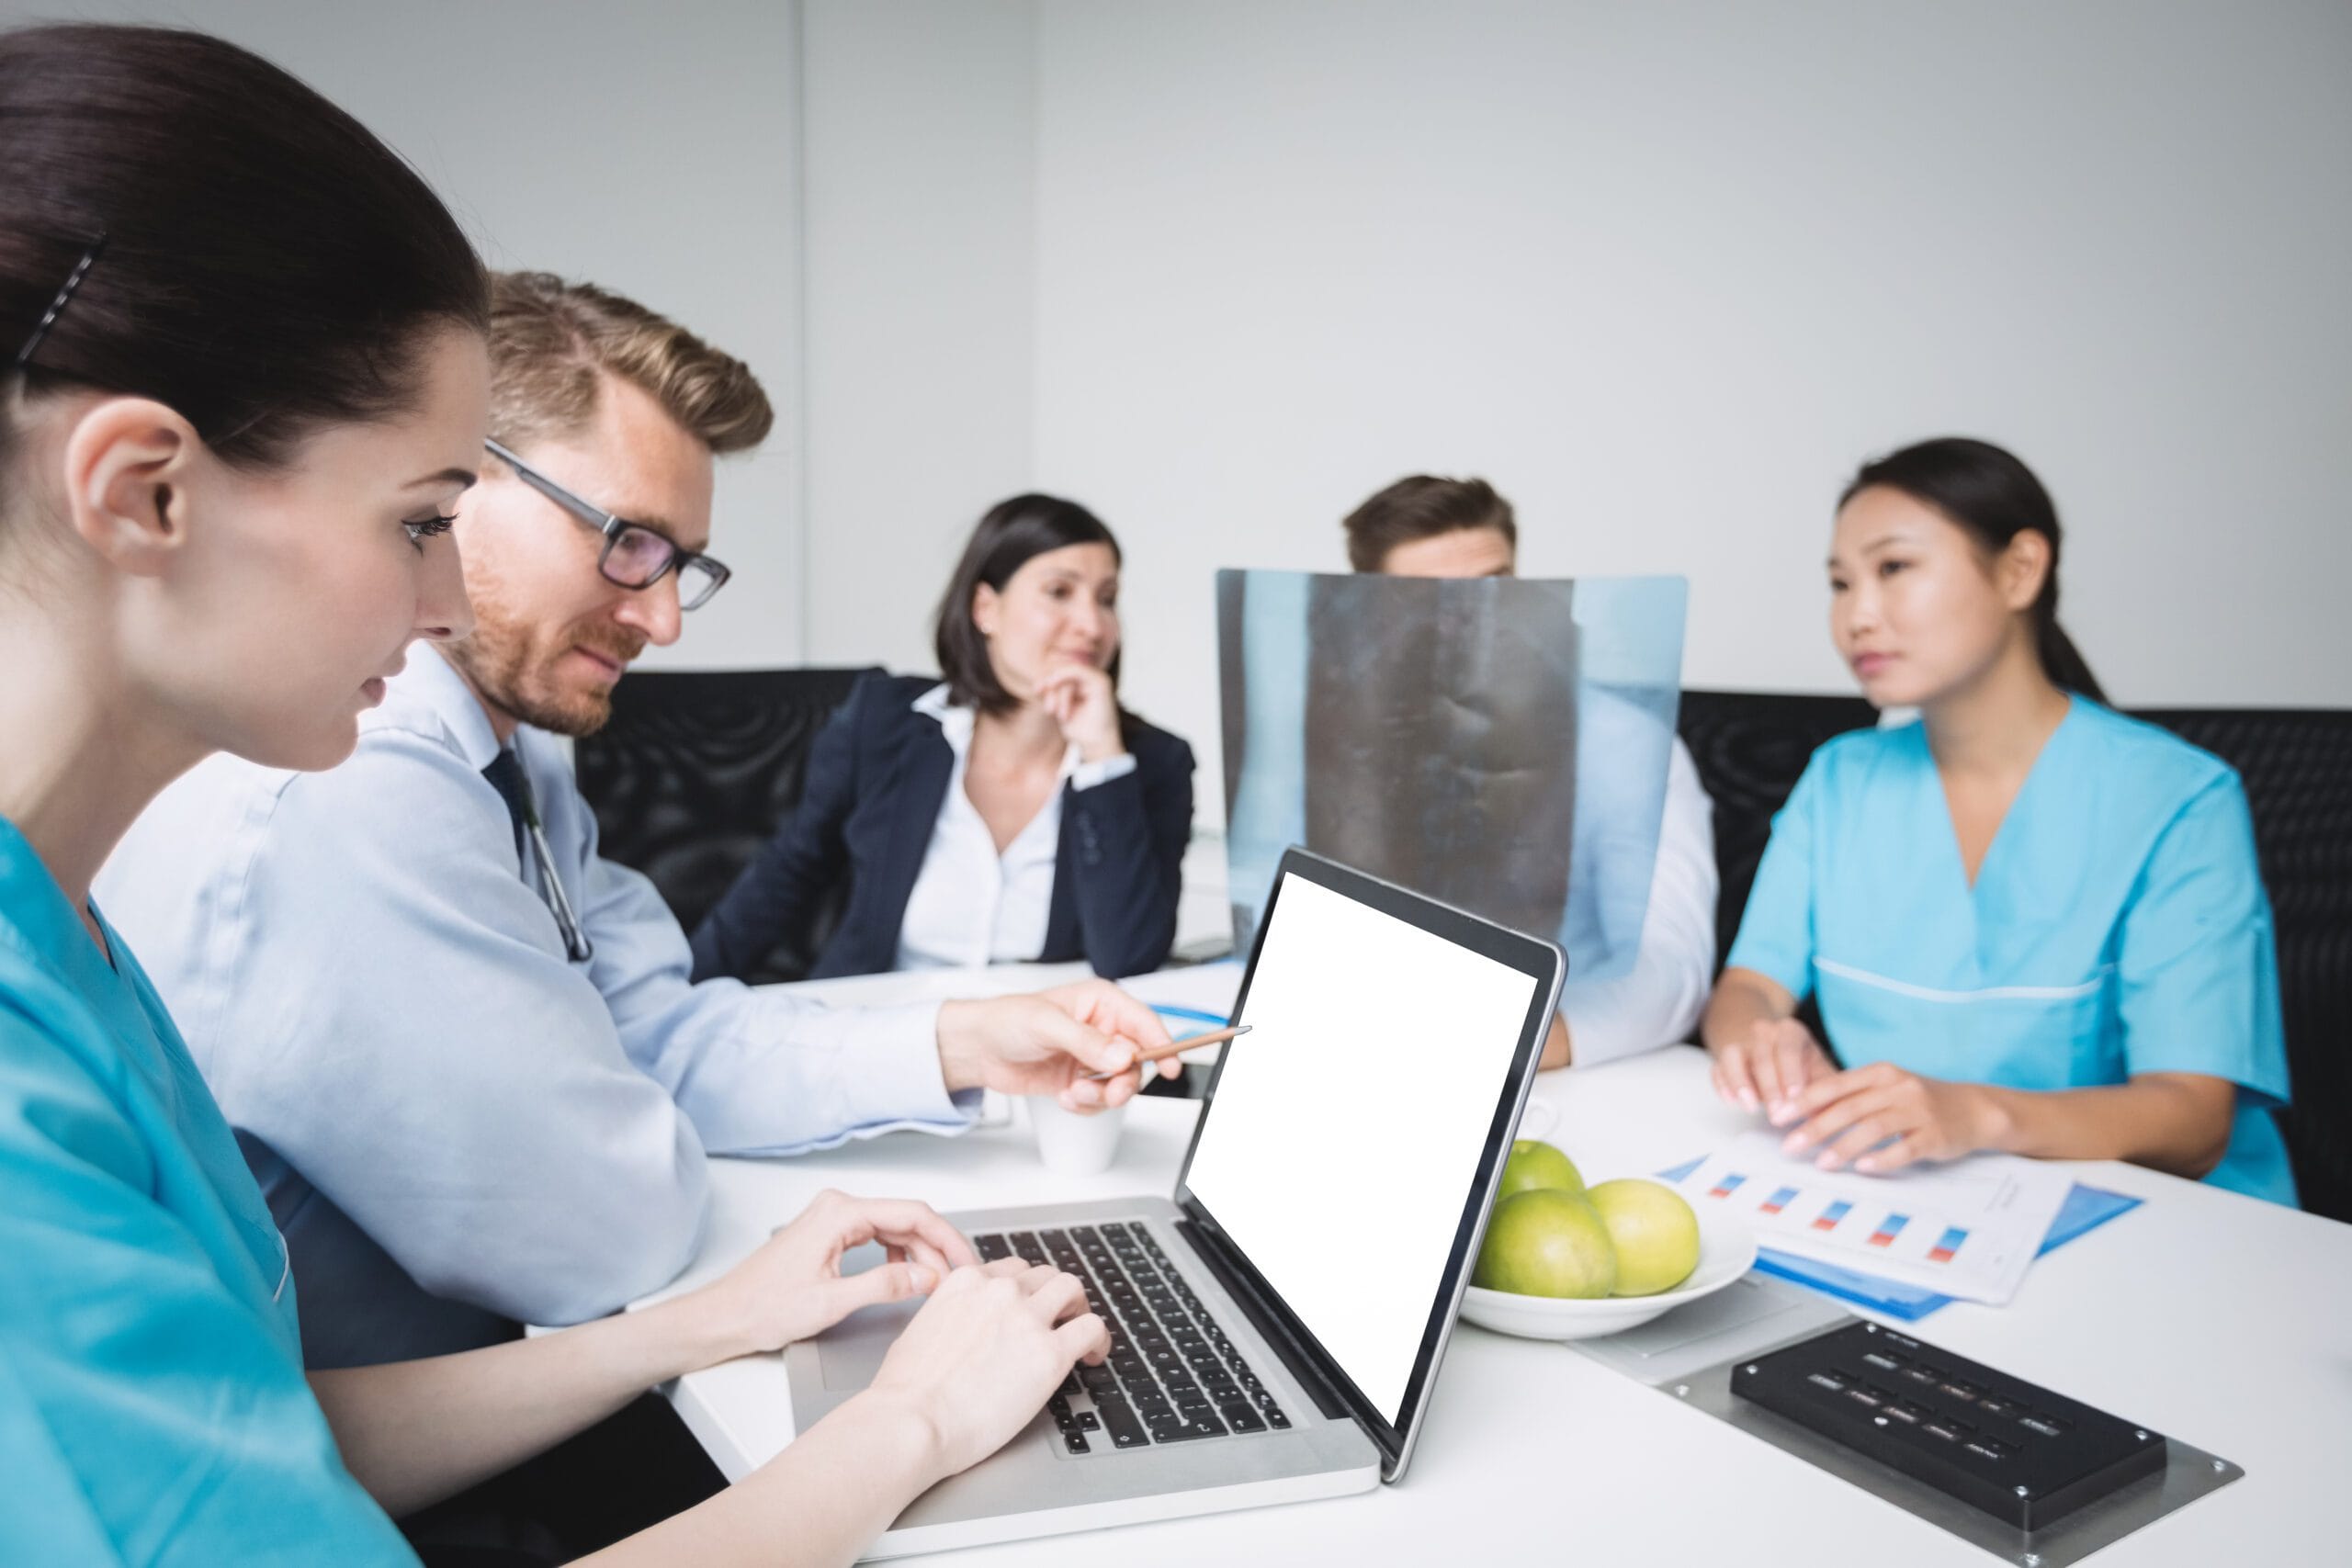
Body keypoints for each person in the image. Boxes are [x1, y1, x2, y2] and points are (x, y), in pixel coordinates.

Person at [0, 24, 1108, 1568]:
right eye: (418, 519)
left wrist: (698, 1323)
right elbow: (603, 1208)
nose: (441, 593)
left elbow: (267, 1424)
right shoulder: (106, 1006)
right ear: (145, 492)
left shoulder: (59, 943)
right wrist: (905, 1424)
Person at [98, 275, 1178, 1374]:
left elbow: (663, 1034)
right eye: (627, 542)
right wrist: (628, 1091)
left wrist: (963, 1040)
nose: (662, 617)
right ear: (458, 481)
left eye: (682, 568)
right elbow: (595, 1230)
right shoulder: (351, 784)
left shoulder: (517, 750)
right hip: (380, 1478)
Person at [1702, 437, 2294, 1205]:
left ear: (2020, 569)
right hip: (1921, 1197)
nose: (1858, 614)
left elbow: (2193, 1117)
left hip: (2169, 1228)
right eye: (1840, 583)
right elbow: (1748, 986)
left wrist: (1970, 1113)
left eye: (1894, 568)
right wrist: (1762, 1045)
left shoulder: (2180, 799)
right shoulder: (1841, 778)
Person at [691, 493, 1194, 984]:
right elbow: (785, 879)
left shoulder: (1149, 764)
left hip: (1042, 1050)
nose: (1092, 624)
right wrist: (670, 1000)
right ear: (985, 609)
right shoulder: (885, 722)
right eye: (1060, 592)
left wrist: (1100, 758)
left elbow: (1127, 959)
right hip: (881, 1034)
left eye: (1106, 599)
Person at [1341, 475, 1718, 1068]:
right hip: (1372, 1055)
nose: (1474, 619)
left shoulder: (1626, 743)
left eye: (1496, 588)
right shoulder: (1341, 746)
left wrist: (1518, 1049)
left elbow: (1671, 968)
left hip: (1562, 1071)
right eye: (1429, 600)